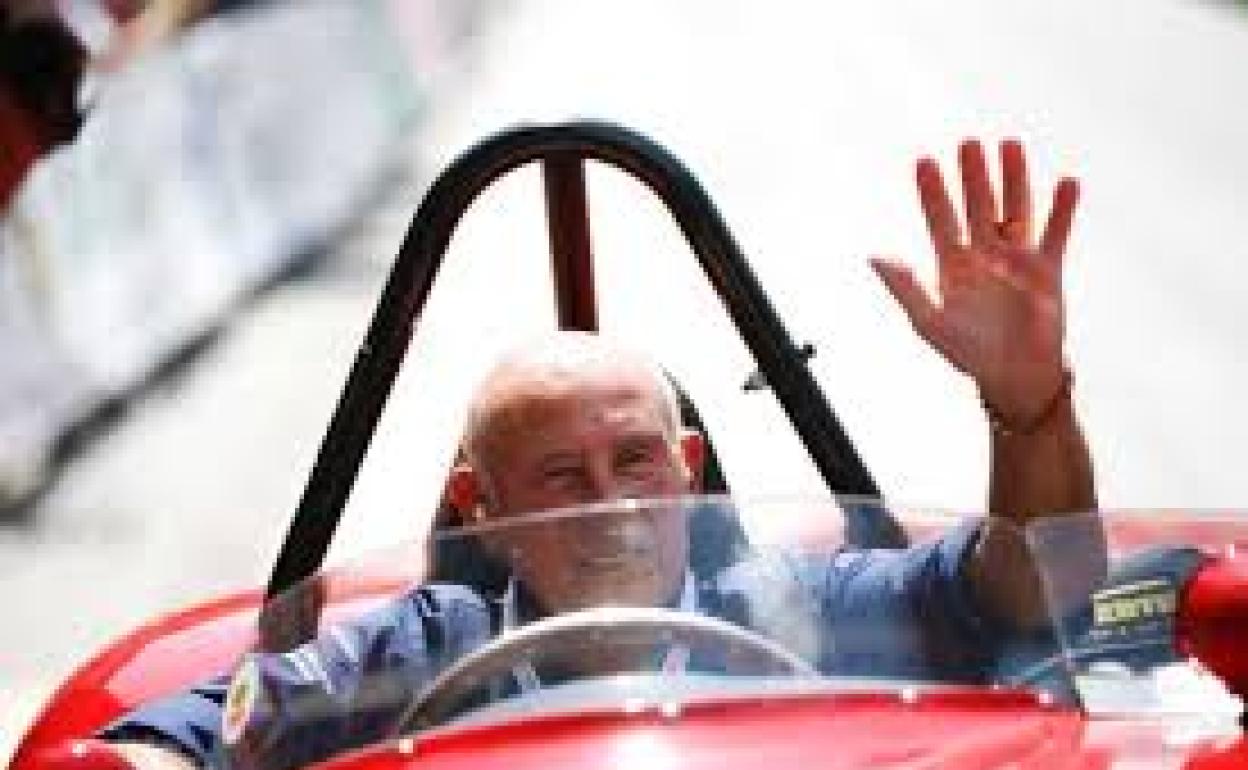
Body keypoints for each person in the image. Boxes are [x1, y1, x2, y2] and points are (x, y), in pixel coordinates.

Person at [99, 138, 1101, 769]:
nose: (611, 505)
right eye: (561, 478)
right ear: (481, 505)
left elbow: (1038, 589)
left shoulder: (796, 608)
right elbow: (201, 727)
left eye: (635, 462)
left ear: (688, 466)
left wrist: (1029, 404)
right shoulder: (425, 645)